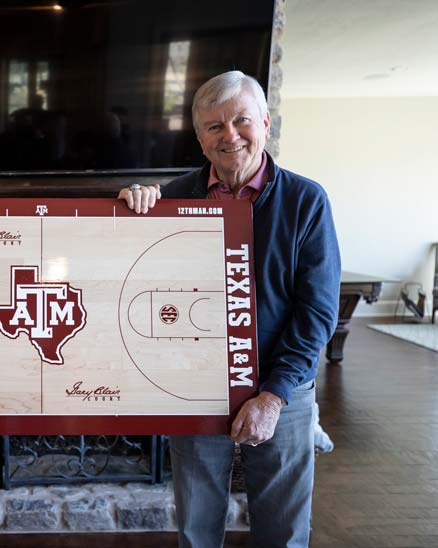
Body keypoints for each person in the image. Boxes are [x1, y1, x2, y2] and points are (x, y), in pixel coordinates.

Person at [118, 70, 340, 548]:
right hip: (195, 389)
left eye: (241, 120)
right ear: (200, 139)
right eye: (215, 126)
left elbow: (317, 312)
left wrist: (273, 395)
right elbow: (131, 281)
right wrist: (128, 213)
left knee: (282, 531)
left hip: (282, 391)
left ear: (264, 121)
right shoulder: (171, 198)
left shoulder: (307, 201)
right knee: (196, 530)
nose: (230, 135)